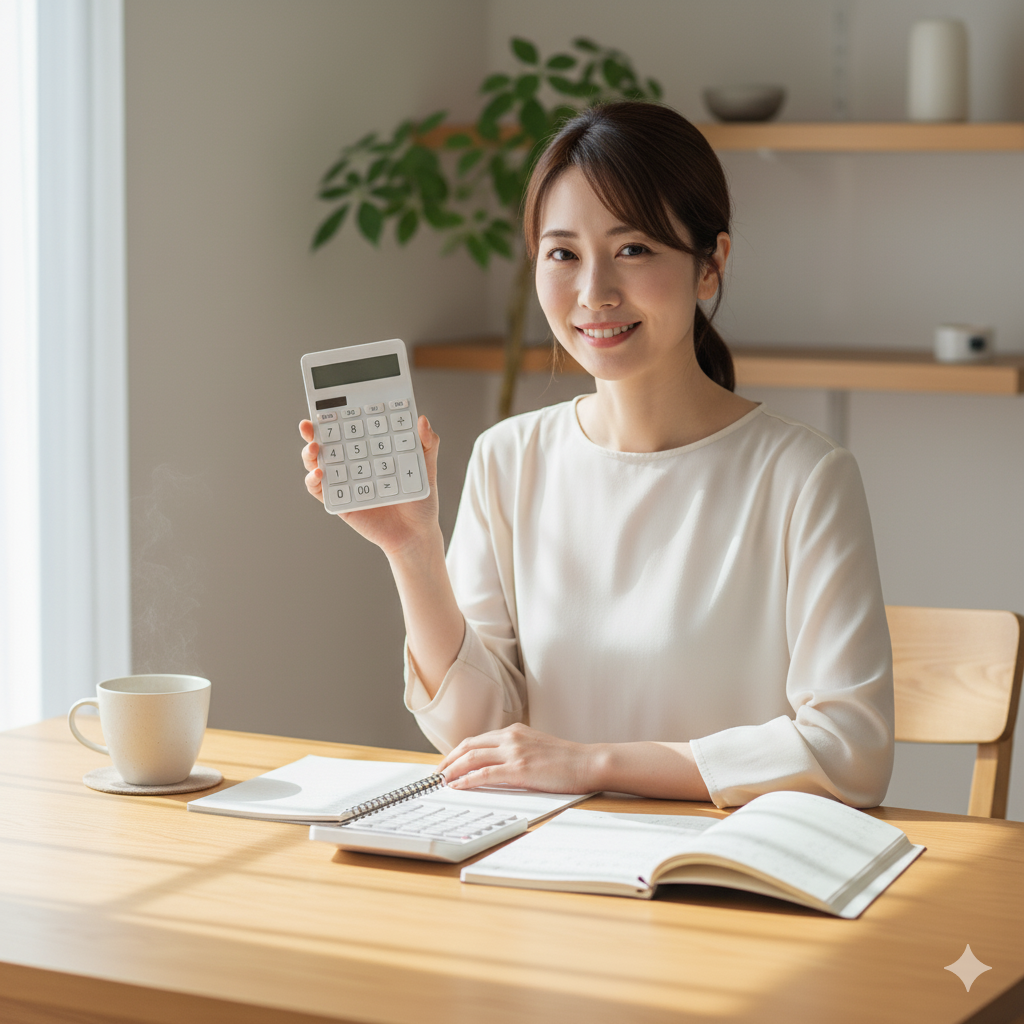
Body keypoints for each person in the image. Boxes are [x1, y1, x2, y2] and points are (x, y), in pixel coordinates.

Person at [298, 102, 894, 809]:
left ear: (711, 265)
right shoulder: (508, 457)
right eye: (563, 254)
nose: (594, 294)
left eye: (633, 249)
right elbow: (475, 735)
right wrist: (412, 549)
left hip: (721, 878)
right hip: (543, 871)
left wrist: (593, 763)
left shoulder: (804, 478)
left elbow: (850, 751)